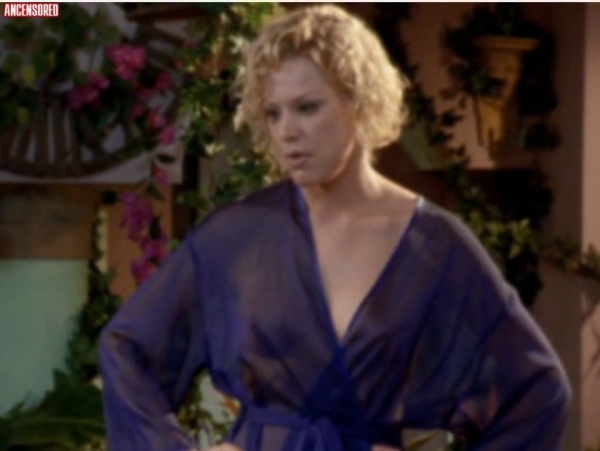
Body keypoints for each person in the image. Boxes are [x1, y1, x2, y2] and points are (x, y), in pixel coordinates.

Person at [99, 5, 571, 451]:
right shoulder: (236, 235)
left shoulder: (434, 245)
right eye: (273, 112)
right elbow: (127, 351)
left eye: (307, 107)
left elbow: (538, 392)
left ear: (359, 102)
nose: (286, 131)